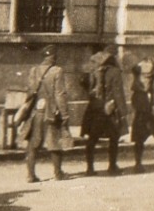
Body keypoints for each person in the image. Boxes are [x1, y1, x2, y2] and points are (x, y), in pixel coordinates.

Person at [23, 46, 71, 183]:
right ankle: (58, 173)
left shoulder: (34, 70)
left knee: (33, 143)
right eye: (55, 56)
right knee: (54, 142)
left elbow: (30, 91)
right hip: (51, 111)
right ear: (53, 57)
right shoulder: (57, 71)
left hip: (36, 111)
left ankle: (30, 175)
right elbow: (60, 94)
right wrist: (65, 114)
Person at [80, 46, 128, 175]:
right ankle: (112, 167)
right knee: (114, 137)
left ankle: (90, 168)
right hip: (109, 109)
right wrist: (123, 112)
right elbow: (118, 93)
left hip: (94, 108)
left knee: (92, 138)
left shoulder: (93, 69)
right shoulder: (115, 72)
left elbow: (84, 84)